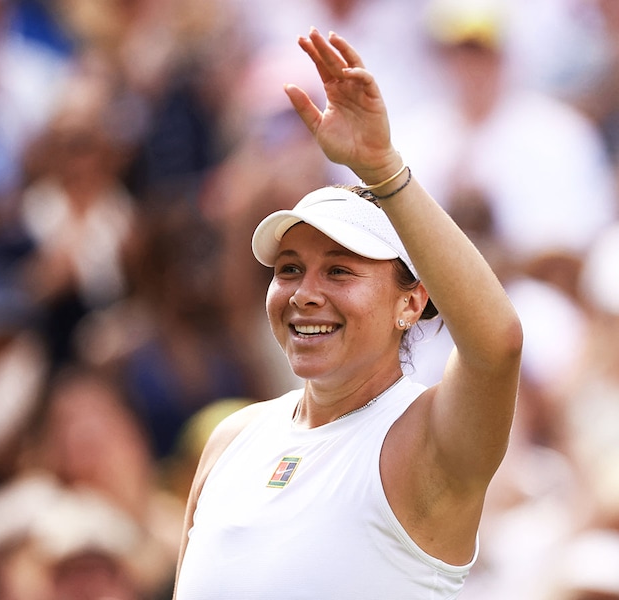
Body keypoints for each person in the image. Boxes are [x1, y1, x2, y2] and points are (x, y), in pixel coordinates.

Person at [173, 28, 523, 599]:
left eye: (339, 271)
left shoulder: (428, 439)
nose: (305, 292)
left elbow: (498, 343)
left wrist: (383, 169)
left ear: (411, 301)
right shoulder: (231, 439)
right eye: (289, 269)